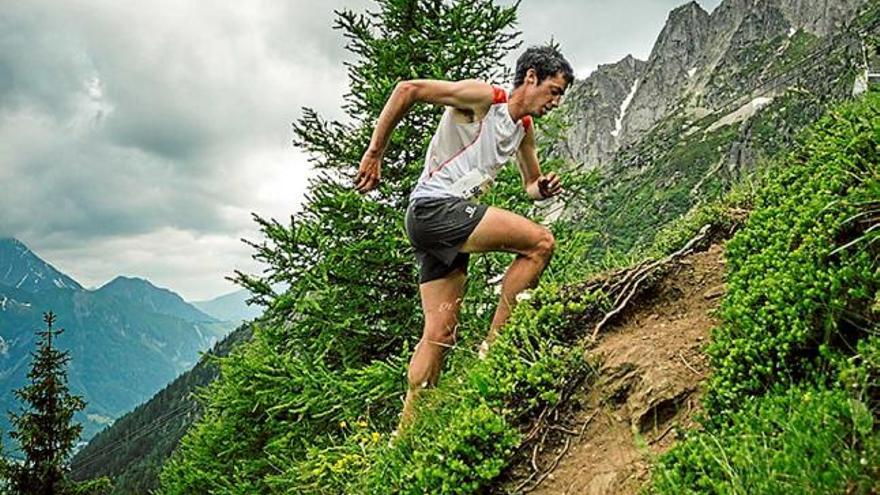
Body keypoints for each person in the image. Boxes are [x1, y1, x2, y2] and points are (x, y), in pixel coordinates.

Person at [354, 45, 574, 427]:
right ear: (531, 78)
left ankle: (406, 433)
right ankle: (497, 351)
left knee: (441, 333)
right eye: (554, 91)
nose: (556, 101)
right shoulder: (485, 99)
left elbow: (530, 186)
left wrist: (544, 188)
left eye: (561, 95)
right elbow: (408, 89)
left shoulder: (523, 129)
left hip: (438, 221)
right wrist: (375, 153)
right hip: (434, 208)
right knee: (540, 243)